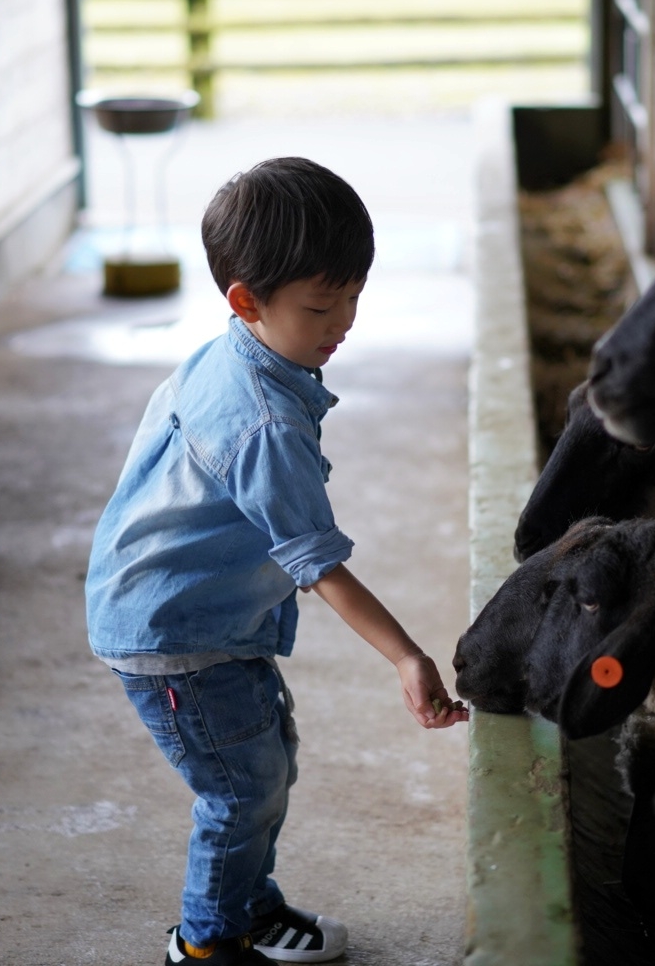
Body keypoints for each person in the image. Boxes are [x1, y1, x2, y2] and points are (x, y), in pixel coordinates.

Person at [85, 156, 467, 966]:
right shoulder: (262, 422)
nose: (345, 322)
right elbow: (316, 562)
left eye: (356, 297)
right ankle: (206, 943)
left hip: (209, 613)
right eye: (323, 306)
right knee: (240, 789)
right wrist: (406, 655)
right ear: (245, 301)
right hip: (176, 632)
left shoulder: (245, 353)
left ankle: (249, 906)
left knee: (267, 759)